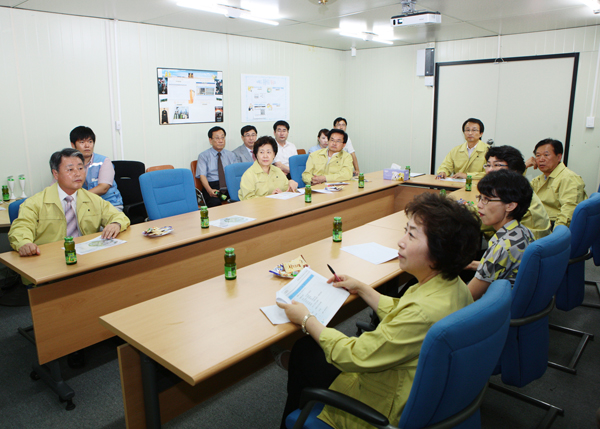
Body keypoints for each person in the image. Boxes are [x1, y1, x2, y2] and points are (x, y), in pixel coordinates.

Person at [277, 192, 480, 429]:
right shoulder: (453, 285)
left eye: (412, 235)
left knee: (305, 351)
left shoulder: (421, 312)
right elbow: (401, 310)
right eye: (405, 230)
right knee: (310, 351)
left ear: (439, 251)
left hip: (382, 400)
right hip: (416, 381)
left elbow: (353, 356)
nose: (401, 241)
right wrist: (362, 288)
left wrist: (306, 320)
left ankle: (295, 423)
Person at [9, 148, 130, 257]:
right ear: (55, 174)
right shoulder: (35, 203)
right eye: (70, 169)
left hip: (86, 258)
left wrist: (116, 224)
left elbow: (118, 216)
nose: (78, 173)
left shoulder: (92, 198)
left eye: (81, 168)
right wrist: (24, 243)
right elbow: (21, 228)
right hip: (50, 260)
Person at [466, 169, 534, 300]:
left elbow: (469, 296)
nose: (479, 205)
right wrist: (470, 264)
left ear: (510, 206)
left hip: (492, 309)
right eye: (480, 198)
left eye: (486, 199)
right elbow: (494, 265)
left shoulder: (502, 247)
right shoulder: (523, 231)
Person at [484, 145, 551, 240]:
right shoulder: (511, 187)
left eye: (497, 165)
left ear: (514, 170)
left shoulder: (514, 194)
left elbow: (486, 218)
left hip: (522, 246)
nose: (490, 170)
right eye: (488, 165)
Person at [525, 138, 587, 228]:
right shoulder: (541, 178)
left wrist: (556, 236)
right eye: (538, 155)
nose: (541, 159)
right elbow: (518, 191)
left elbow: (569, 211)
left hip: (552, 226)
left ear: (559, 157)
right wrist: (524, 166)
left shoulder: (568, 178)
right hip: (538, 222)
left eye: (546, 155)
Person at [69, 126, 124, 211]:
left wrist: (78, 197)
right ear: (73, 145)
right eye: (82, 142)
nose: (87, 145)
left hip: (109, 205)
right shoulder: (69, 164)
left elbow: (103, 188)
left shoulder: (103, 161)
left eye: (90, 142)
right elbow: (60, 186)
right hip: (84, 207)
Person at [195, 126, 238, 207]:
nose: (221, 141)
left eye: (222, 137)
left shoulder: (231, 155)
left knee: (240, 199)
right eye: (217, 138)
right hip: (212, 186)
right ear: (210, 140)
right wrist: (209, 190)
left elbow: (235, 174)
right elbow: (202, 176)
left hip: (229, 185)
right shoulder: (203, 156)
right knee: (214, 203)